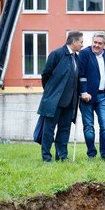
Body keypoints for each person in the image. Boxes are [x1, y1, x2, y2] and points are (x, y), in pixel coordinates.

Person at [37, 30, 83, 162]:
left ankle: (62, 156)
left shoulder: (76, 57)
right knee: (48, 130)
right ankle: (46, 157)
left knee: (64, 129)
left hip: (70, 102)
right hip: (54, 101)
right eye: (81, 42)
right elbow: (46, 74)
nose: (82, 45)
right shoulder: (57, 54)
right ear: (74, 42)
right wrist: (50, 91)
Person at [78, 31, 105, 160]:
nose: (96, 45)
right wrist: (83, 92)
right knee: (89, 127)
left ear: (104, 44)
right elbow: (81, 74)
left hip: (103, 96)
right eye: (95, 42)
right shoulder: (84, 53)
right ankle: (91, 154)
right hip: (86, 97)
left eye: (100, 43)